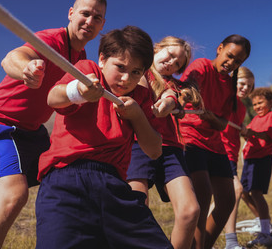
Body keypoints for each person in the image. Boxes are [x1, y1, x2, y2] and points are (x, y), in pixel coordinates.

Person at [0, 0, 107, 249]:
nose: (90, 21)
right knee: (12, 197)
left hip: (34, 133)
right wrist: (26, 69)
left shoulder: (82, 62)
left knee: (68, 181)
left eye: (97, 18)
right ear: (71, 13)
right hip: (0, 126)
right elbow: (10, 57)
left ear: (102, 26)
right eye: (85, 13)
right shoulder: (51, 41)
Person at [35, 25, 172, 249]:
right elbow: (53, 97)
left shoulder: (141, 96)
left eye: (136, 72)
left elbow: (154, 150)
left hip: (114, 185)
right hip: (66, 179)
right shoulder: (87, 71)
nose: (126, 78)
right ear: (102, 59)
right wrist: (78, 91)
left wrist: (137, 115)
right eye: (120, 67)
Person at [127, 36, 201, 249]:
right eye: (169, 55)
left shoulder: (177, 86)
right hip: (136, 144)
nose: (171, 63)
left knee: (190, 210)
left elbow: (173, 97)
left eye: (177, 64)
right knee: (136, 207)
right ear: (157, 48)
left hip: (171, 149)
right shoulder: (137, 71)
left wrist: (170, 102)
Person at [179, 34, 251, 249]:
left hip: (214, 144)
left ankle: (200, 246)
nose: (231, 63)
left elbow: (221, 124)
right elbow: (187, 86)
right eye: (229, 56)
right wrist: (185, 97)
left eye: (237, 61)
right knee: (202, 197)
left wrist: (211, 117)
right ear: (219, 49)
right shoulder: (202, 65)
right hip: (190, 138)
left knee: (228, 200)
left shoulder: (229, 86)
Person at [219, 67, 255, 249]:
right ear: (234, 82)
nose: (245, 88)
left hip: (232, 154)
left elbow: (234, 124)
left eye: (249, 86)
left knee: (222, 198)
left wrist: (243, 129)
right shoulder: (223, 98)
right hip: (220, 151)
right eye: (242, 83)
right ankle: (231, 242)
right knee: (236, 189)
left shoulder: (241, 107)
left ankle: (201, 237)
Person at [240, 87, 272, 246]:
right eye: (254, 104)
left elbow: (266, 136)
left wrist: (250, 133)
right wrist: (243, 131)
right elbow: (248, 132)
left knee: (256, 193)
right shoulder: (255, 119)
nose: (257, 107)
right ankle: (263, 222)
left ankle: (266, 232)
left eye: (260, 103)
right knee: (243, 192)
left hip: (262, 159)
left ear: (270, 102)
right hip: (250, 159)